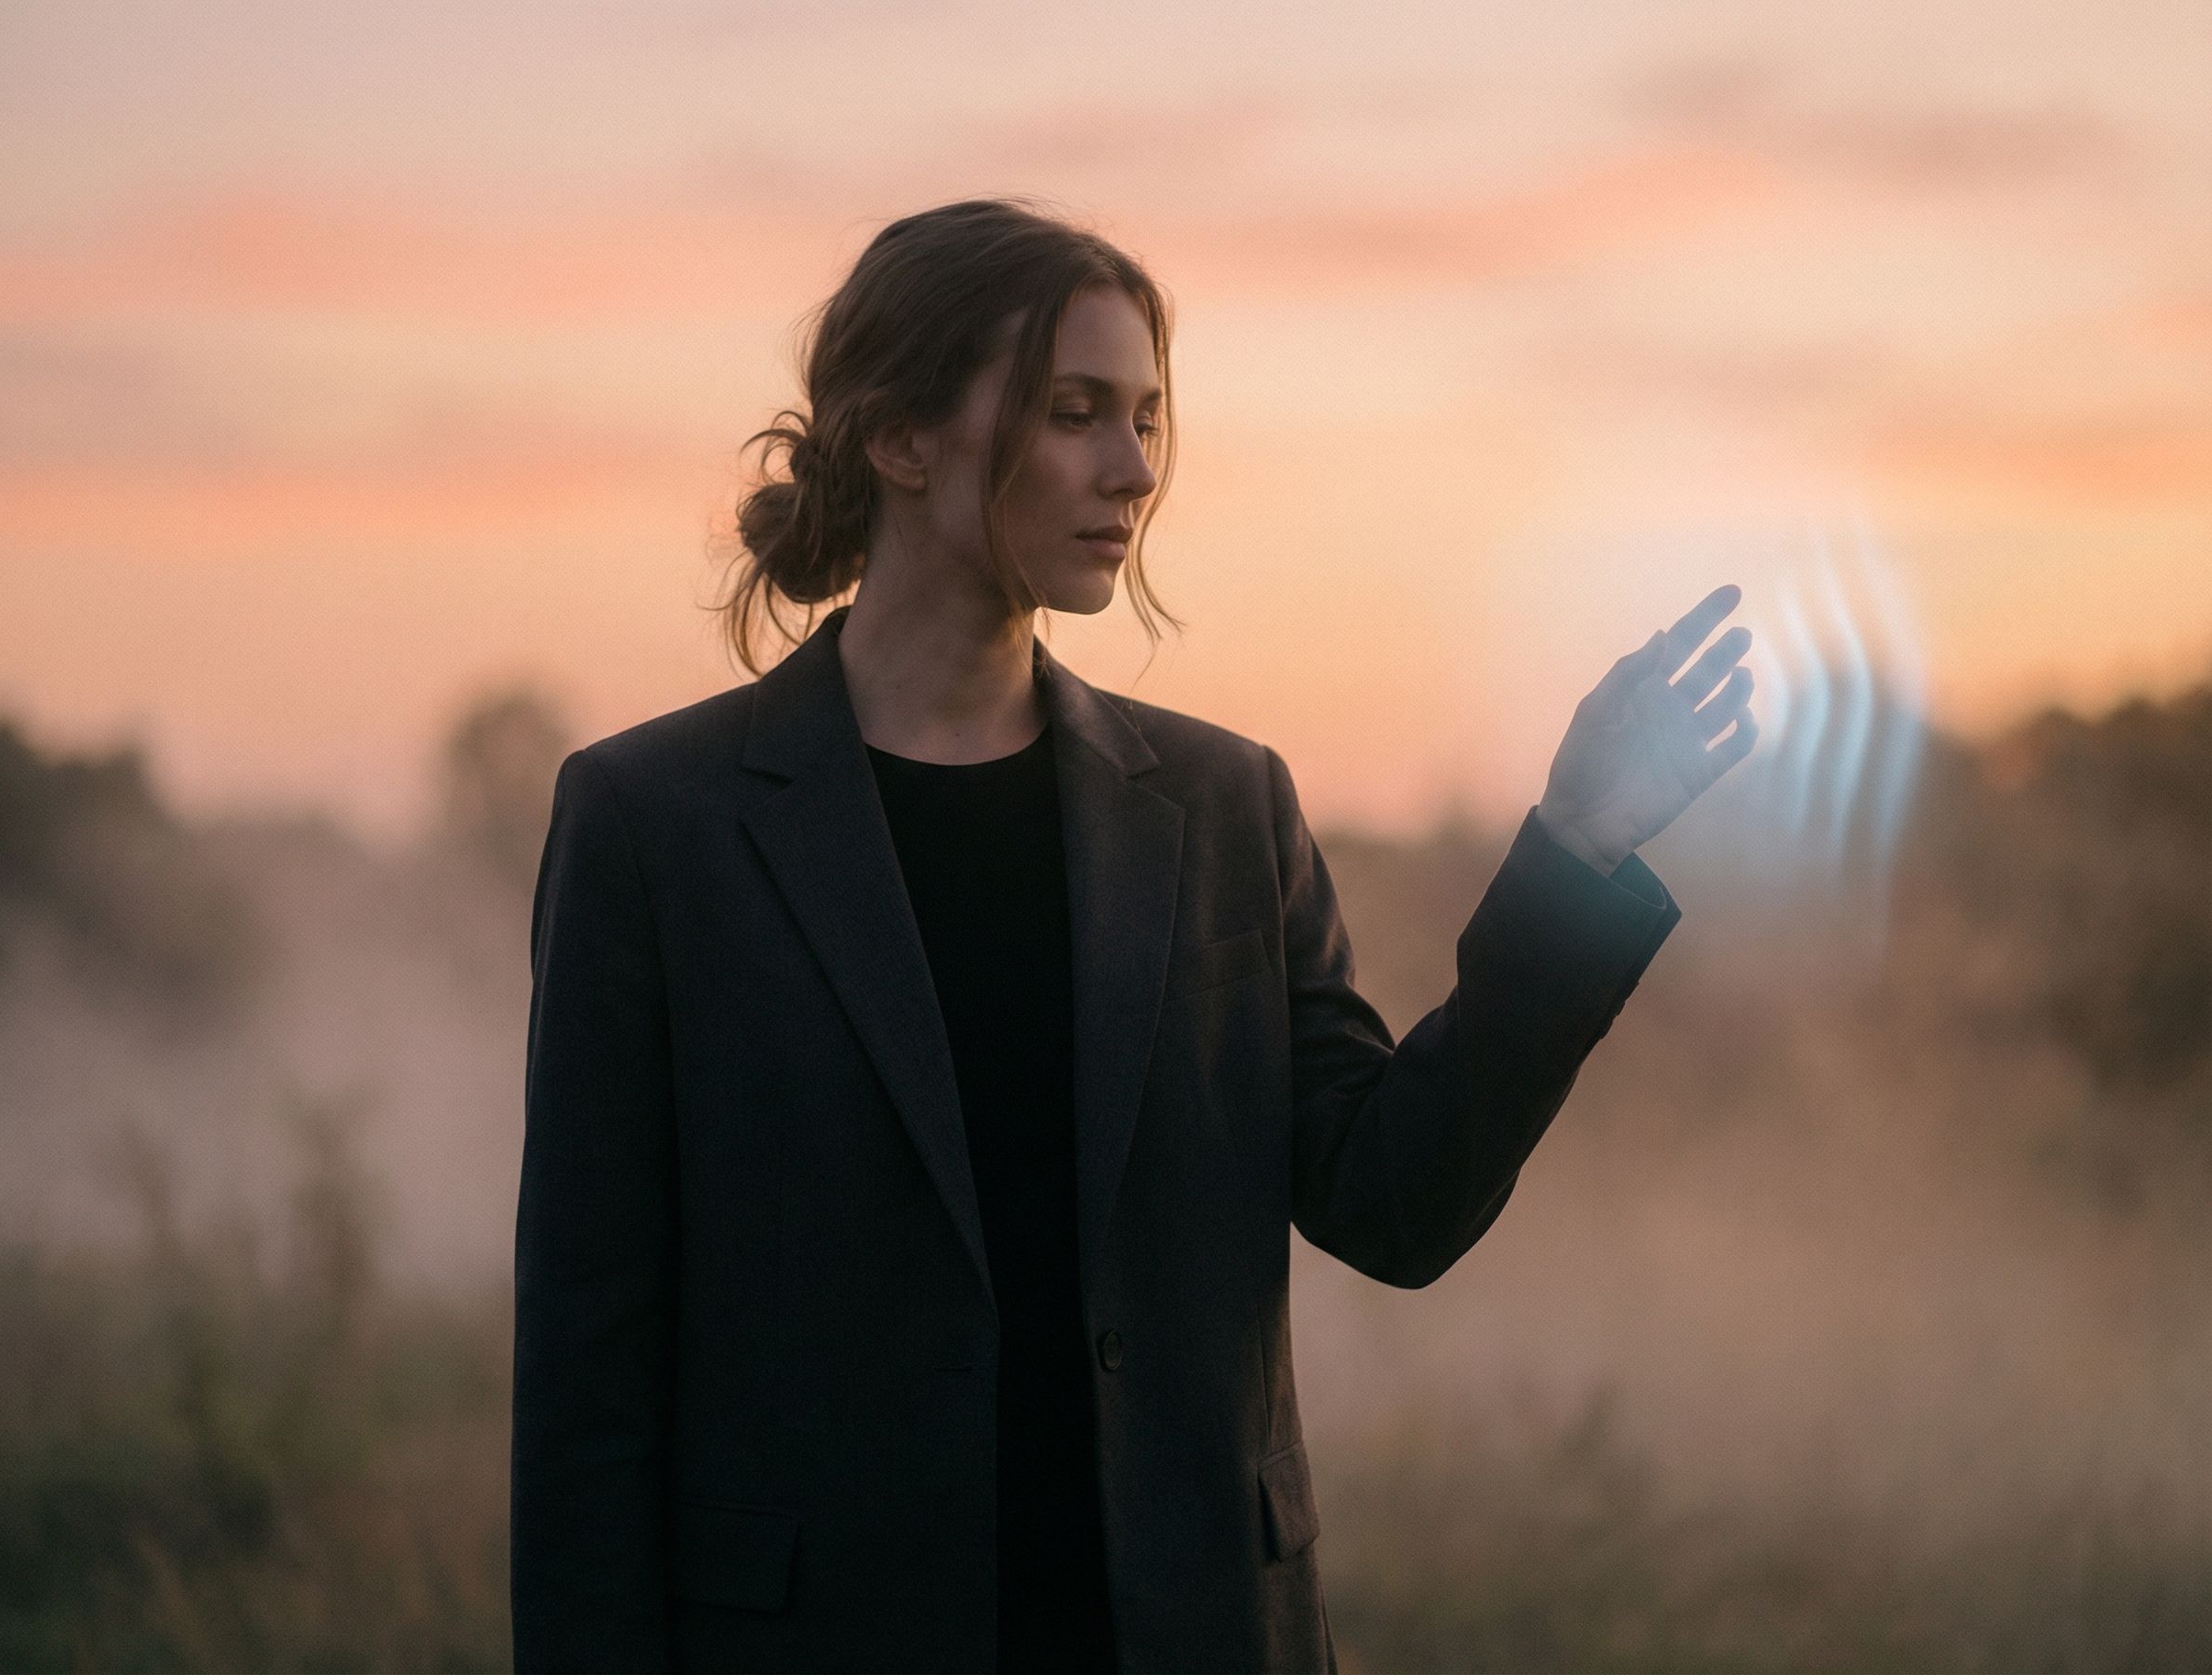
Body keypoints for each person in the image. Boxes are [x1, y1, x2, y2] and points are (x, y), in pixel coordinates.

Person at [510, 196, 1758, 1675]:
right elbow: (591, 1373)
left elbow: (1395, 1200)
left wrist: (1574, 855)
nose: (1135, 468)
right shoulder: (654, 825)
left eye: (1149, 417)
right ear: (901, 439)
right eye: (1076, 412)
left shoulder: (1226, 807)